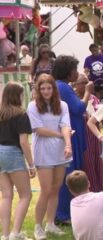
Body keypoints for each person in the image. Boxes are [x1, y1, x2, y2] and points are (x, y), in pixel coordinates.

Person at [26, 74, 72, 240]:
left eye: (49, 88)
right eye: (42, 88)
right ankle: (38, 226)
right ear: (38, 89)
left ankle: (50, 223)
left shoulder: (63, 105)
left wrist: (67, 144)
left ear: (54, 89)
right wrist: (60, 135)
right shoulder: (32, 106)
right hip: (43, 153)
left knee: (55, 188)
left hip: (60, 152)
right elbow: (38, 129)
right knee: (45, 190)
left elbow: (66, 125)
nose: (46, 91)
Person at [53, 55, 94, 225]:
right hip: (72, 136)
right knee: (69, 174)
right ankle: (63, 214)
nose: (77, 73)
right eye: (74, 70)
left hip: (71, 134)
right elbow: (78, 108)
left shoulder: (61, 86)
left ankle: (63, 212)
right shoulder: (63, 87)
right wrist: (87, 92)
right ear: (68, 72)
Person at [0, 82, 35, 240]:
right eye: (22, 94)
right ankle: (16, 233)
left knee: (6, 195)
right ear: (18, 96)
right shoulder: (21, 114)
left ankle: (5, 234)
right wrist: (31, 164)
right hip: (12, 153)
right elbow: (24, 142)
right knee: (26, 195)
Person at [73, 73, 103, 192]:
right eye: (84, 83)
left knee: (99, 164)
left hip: (95, 137)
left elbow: (99, 117)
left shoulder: (93, 98)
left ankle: (99, 191)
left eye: (88, 82)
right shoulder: (74, 99)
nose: (88, 85)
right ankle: (89, 191)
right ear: (76, 85)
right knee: (87, 163)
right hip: (82, 136)